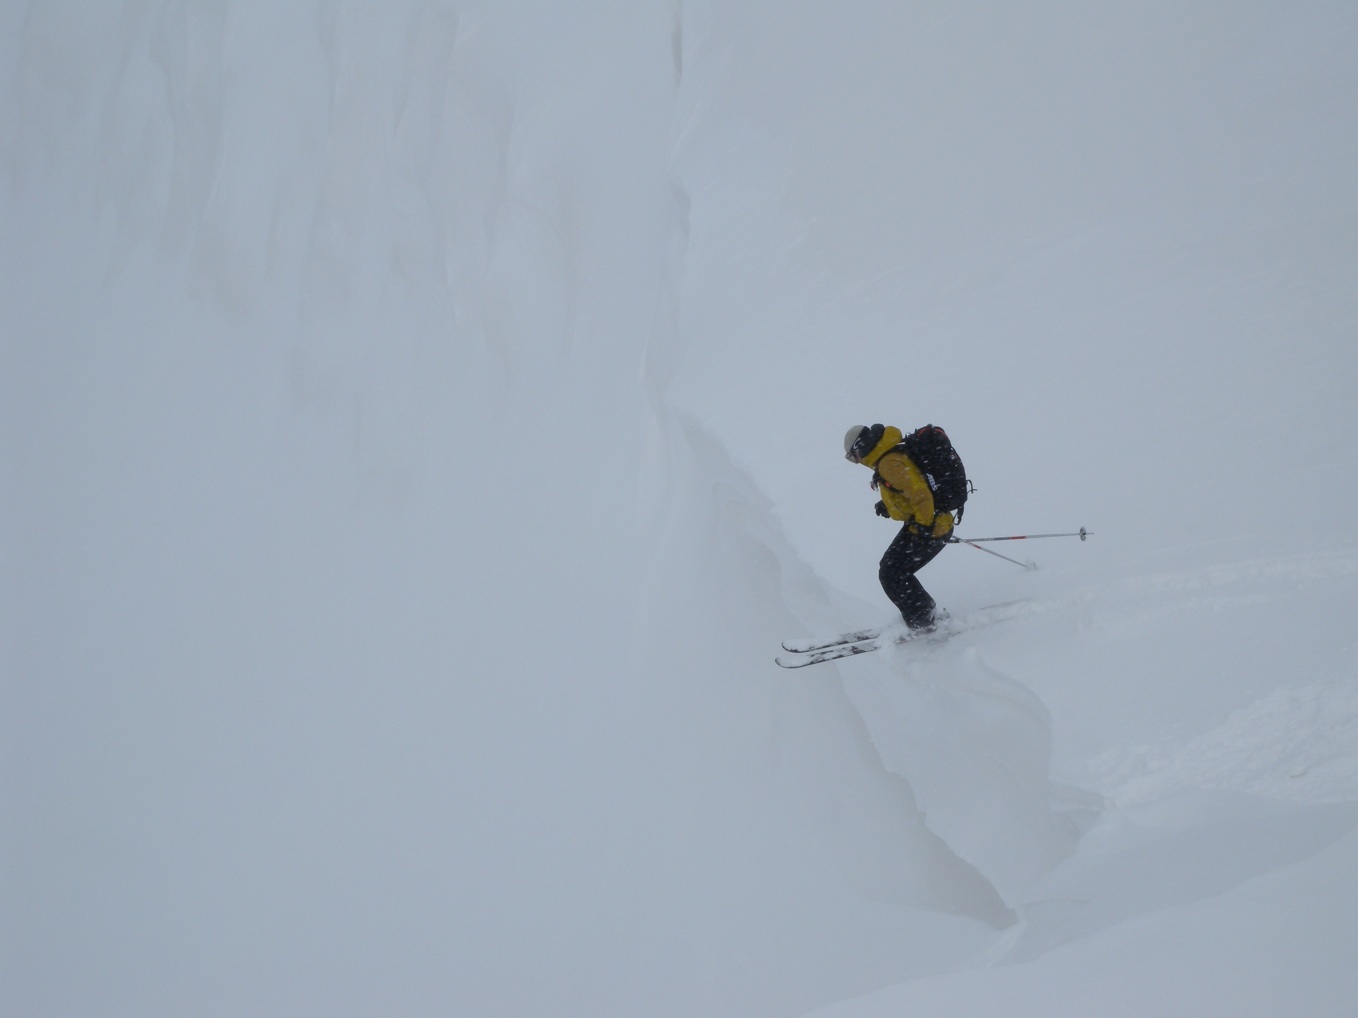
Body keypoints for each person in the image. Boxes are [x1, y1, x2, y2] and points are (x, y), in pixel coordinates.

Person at [844, 424, 954, 631]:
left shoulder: (888, 463)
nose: (856, 462)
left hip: (931, 526)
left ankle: (923, 621)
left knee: (892, 573)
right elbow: (910, 489)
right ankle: (924, 613)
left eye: (852, 457)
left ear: (860, 449)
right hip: (931, 523)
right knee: (893, 570)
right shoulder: (887, 456)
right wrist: (889, 505)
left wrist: (924, 526)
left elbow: (920, 493)